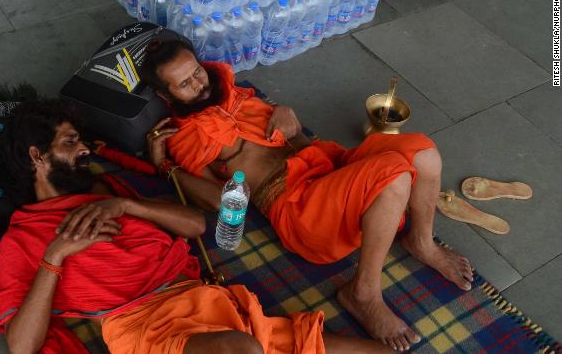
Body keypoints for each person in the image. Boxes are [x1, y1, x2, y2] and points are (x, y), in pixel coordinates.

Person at [0, 99, 388, 354]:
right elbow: (22, 345)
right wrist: (55, 256)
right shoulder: (26, 235)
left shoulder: (110, 194)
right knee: (242, 349)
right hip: (144, 328)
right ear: (37, 156)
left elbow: (197, 225)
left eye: (80, 141)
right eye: (69, 142)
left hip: (208, 302)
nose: (84, 151)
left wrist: (128, 204)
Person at [140, 35, 474, 352]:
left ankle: (421, 241)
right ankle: (363, 293)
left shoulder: (234, 93)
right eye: (186, 84)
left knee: (423, 151)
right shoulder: (184, 136)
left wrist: (287, 116)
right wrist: (166, 167)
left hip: (327, 166)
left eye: (197, 71)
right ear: (168, 98)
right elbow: (216, 200)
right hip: (300, 209)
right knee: (394, 176)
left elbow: (296, 138)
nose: (200, 84)